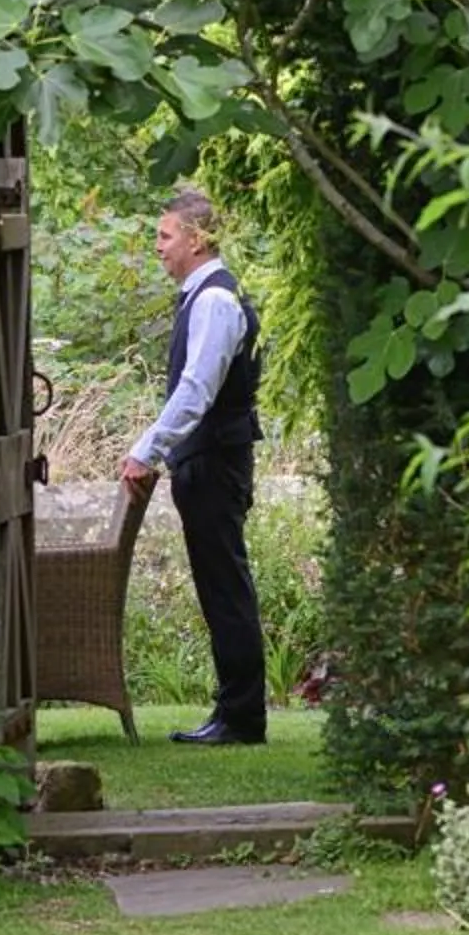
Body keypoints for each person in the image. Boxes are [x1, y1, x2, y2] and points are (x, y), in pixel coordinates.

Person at [120, 186, 267, 746]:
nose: (158, 247)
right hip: (208, 458)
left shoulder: (213, 301)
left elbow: (196, 389)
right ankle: (235, 712)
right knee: (220, 586)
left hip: (215, 460)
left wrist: (146, 449)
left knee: (226, 587)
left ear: (196, 239)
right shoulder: (205, 297)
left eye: (165, 235)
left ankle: (241, 717)